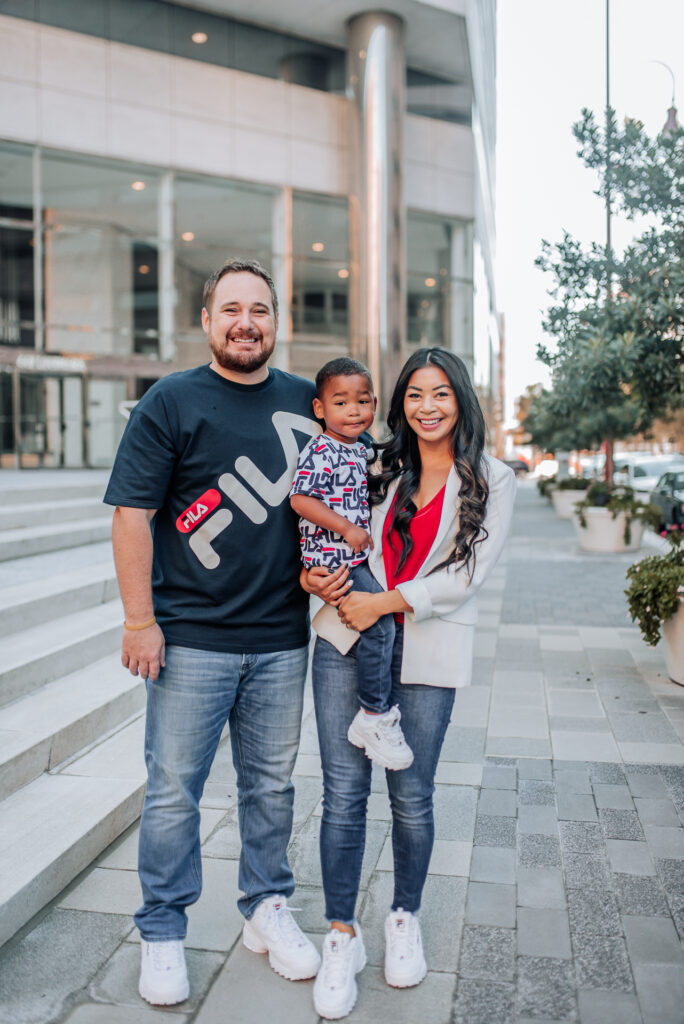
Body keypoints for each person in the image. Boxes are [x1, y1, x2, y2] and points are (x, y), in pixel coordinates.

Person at [104, 258, 322, 1007]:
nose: (245, 323)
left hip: (282, 639)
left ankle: (266, 906)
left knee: (270, 787)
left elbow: (350, 484)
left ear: (275, 321)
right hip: (191, 639)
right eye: (230, 309)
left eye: (258, 309)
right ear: (206, 321)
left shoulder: (306, 401)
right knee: (173, 795)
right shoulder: (169, 402)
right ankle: (162, 931)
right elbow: (131, 514)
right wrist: (141, 620)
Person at [304, 347, 517, 1020]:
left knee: (412, 796)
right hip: (346, 638)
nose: (428, 406)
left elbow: (463, 577)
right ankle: (342, 934)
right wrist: (311, 577)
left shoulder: (493, 478)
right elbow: (321, 526)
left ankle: (403, 918)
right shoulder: (376, 466)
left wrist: (385, 602)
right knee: (342, 795)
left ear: (461, 401)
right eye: (416, 395)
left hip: (425, 650)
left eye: (442, 393)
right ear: (400, 405)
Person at [290, 357, 413, 771]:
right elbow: (301, 500)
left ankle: (373, 711)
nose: (354, 411)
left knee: (375, 627)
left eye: (362, 401)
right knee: (379, 626)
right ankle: (373, 714)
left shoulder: (361, 449)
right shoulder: (321, 450)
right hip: (336, 557)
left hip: (353, 554)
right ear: (320, 409)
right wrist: (346, 528)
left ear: (375, 404)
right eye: (341, 403)